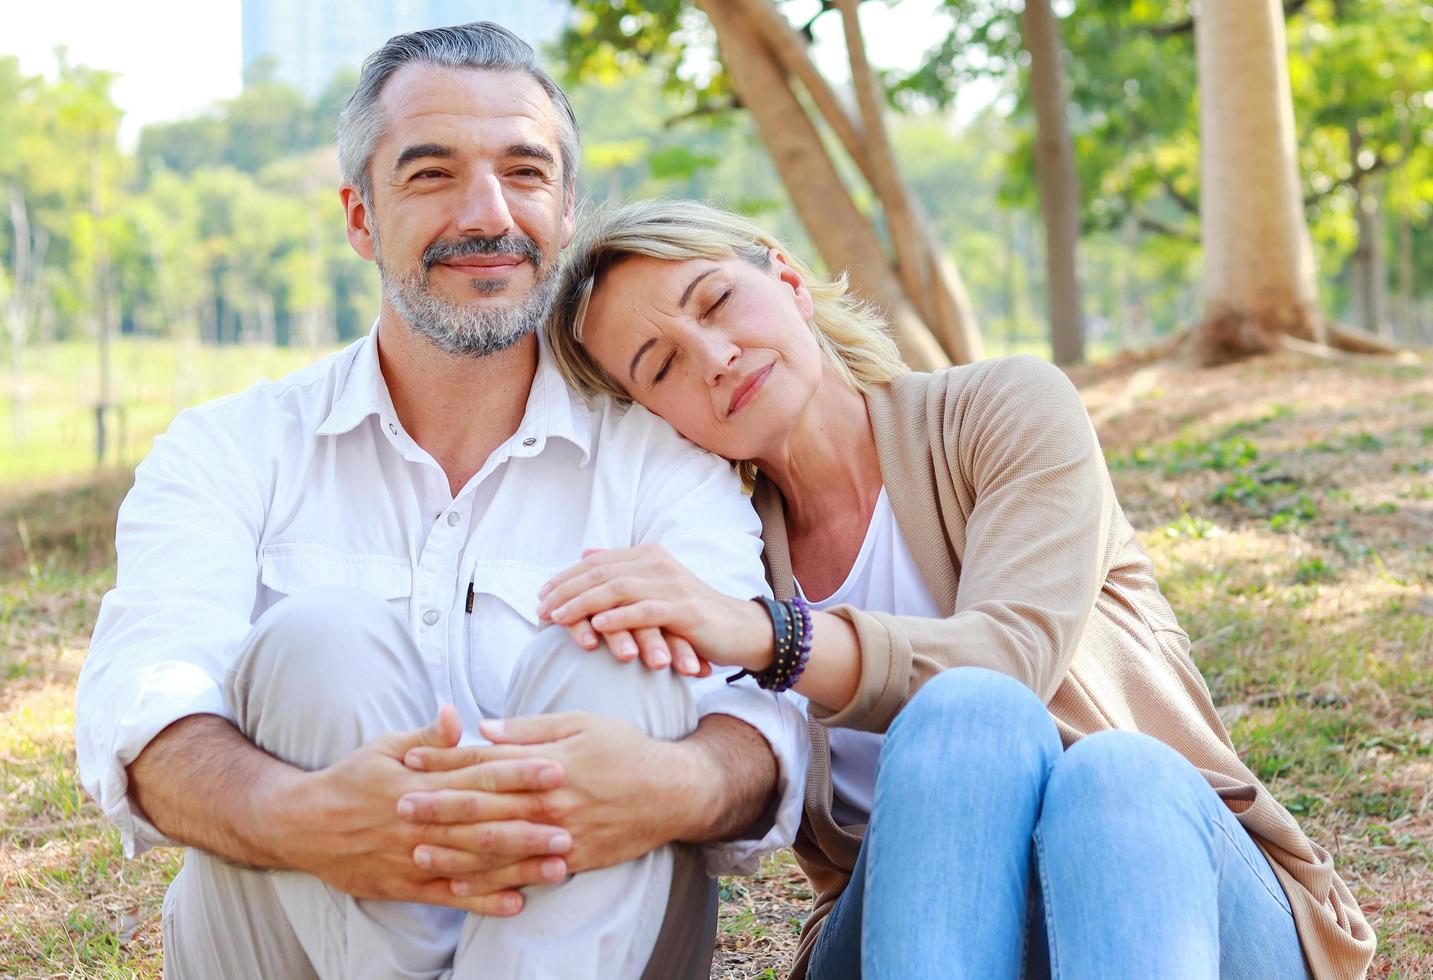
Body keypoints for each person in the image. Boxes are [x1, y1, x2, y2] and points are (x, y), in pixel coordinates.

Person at [75, 26, 808, 980]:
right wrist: (295, 815)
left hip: (606, 934)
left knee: (626, 667)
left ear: (567, 206)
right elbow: (143, 698)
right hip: (278, 933)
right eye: (431, 174)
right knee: (315, 642)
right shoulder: (228, 448)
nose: (486, 213)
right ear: (360, 217)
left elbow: (758, 717)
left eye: (524, 171)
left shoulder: (660, 457)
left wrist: (678, 782)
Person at [540, 199, 1377, 980]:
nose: (714, 358)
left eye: (717, 301)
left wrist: (771, 637)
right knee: (970, 727)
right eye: (661, 367)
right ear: (654, 420)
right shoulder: (718, 555)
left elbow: (1009, 661)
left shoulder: (1001, 410)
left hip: (1169, 894)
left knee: (1107, 768)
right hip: (904, 933)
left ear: (787, 280)